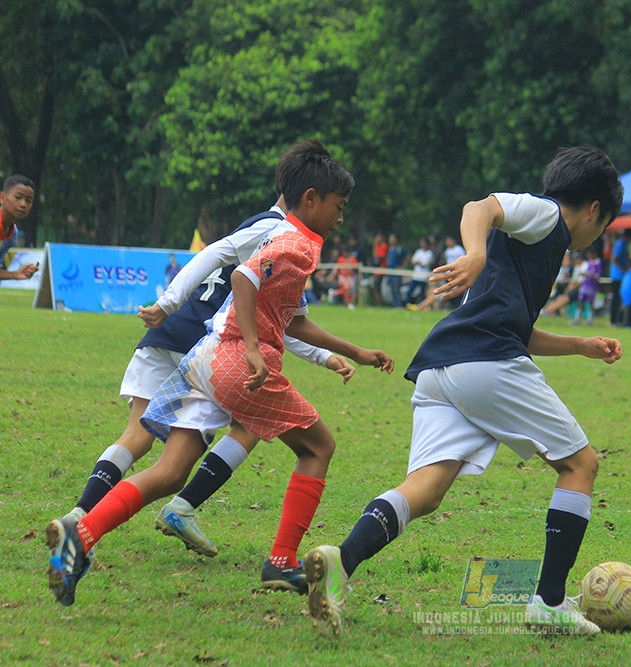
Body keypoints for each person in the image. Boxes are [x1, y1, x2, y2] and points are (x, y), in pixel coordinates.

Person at [45, 140, 394, 607]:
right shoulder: (291, 239)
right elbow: (243, 278)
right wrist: (251, 346)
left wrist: (354, 351)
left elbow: (294, 320)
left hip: (203, 358)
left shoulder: (294, 241)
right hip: (233, 361)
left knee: (170, 472)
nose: (341, 217)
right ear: (310, 199)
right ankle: (282, 560)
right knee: (319, 447)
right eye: (339, 206)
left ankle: (81, 534)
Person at [302, 145, 624, 636]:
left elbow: (517, 328)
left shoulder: (538, 244)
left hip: (442, 367)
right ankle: (550, 603)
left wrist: (580, 345)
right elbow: (481, 207)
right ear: (595, 210)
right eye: (602, 228)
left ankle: (339, 564)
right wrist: (474, 252)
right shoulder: (547, 216)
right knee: (580, 464)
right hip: (484, 362)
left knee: (425, 491)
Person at [0, 175, 39, 282]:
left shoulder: (12, 235)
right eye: (18, 197)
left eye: (28, 200)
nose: (23, 204)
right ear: (2, 198)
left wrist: (16, 274)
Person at [608, 228, 631, 325]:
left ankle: (617, 319)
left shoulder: (623, 244)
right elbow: (615, 259)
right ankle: (613, 320)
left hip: (619, 275)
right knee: (616, 298)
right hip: (617, 276)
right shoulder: (620, 244)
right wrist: (624, 270)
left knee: (619, 298)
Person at [571, 245, 602, 325]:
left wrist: (588, 274)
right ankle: (578, 318)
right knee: (581, 300)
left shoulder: (598, 263)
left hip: (592, 285)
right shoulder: (589, 262)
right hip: (585, 284)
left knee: (591, 302)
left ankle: (590, 319)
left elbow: (597, 275)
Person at [405, 236, 435, 305]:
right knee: (410, 291)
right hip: (416, 276)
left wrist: (418, 262)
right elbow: (413, 261)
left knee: (422, 294)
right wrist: (418, 262)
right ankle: (409, 304)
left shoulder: (429, 253)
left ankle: (422, 307)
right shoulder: (418, 251)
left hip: (423, 277)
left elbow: (424, 264)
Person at [386, 233, 407, 308]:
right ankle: (394, 305)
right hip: (390, 272)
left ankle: (398, 305)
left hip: (397, 272)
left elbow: (407, 256)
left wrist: (403, 266)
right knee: (392, 289)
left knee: (396, 289)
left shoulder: (399, 249)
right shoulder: (389, 248)